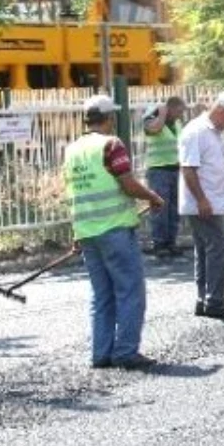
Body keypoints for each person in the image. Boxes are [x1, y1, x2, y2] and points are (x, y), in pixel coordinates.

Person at [63, 94, 164, 371]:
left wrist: (77, 233)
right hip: (115, 230)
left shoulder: (71, 150)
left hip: (87, 233)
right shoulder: (111, 144)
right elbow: (128, 184)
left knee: (102, 295)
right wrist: (153, 197)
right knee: (130, 291)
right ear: (110, 118)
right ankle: (126, 352)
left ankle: (101, 353)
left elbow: (74, 193)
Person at [179, 92, 224, 318]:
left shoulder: (214, 133)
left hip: (210, 202)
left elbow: (218, 170)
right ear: (220, 110)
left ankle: (205, 300)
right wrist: (201, 200)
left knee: (205, 251)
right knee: (219, 247)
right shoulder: (196, 131)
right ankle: (214, 300)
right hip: (203, 203)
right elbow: (188, 169)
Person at [143, 96, 186, 258]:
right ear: (170, 108)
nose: (181, 115)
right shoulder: (152, 118)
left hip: (175, 169)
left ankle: (171, 241)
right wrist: (161, 114)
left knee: (174, 208)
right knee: (160, 207)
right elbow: (154, 129)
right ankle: (159, 242)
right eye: (179, 111)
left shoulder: (177, 124)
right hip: (158, 169)